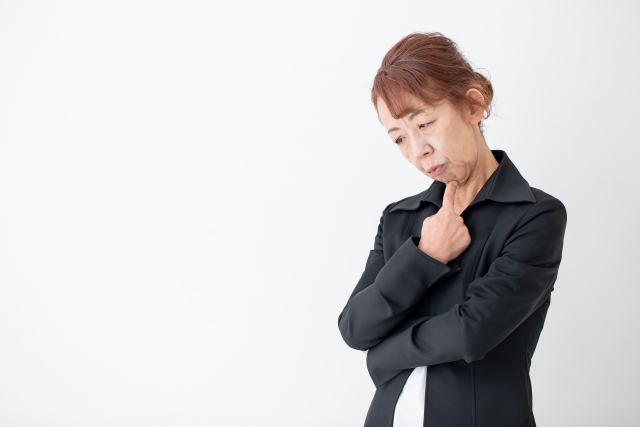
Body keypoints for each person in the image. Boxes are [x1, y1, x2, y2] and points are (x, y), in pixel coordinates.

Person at [337, 32, 567, 427]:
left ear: (473, 105)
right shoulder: (399, 218)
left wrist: (382, 355)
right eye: (399, 138)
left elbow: (471, 332)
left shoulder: (535, 216)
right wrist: (425, 254)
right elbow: (355, 327)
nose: (417, 150)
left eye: (425, 123)